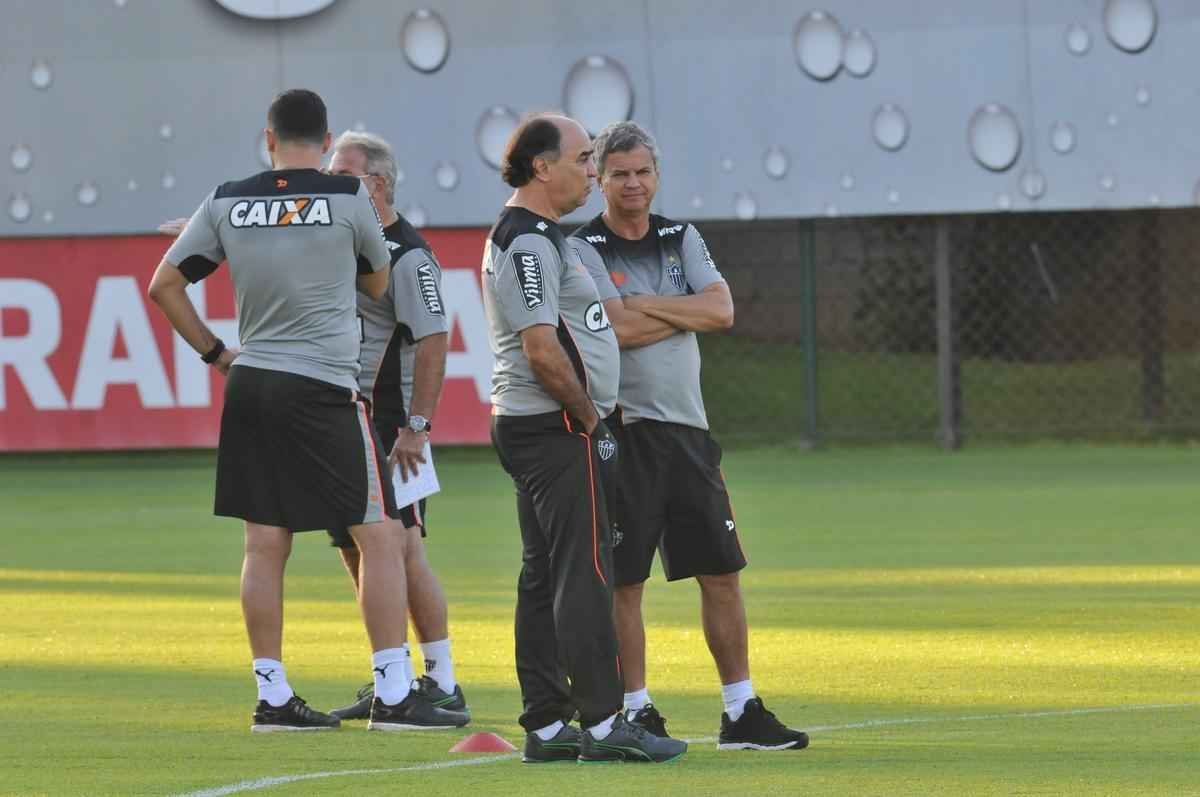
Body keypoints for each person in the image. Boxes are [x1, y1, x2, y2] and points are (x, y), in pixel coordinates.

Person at [148, 89, 465, 733]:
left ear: (268, 138)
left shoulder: (228, 199)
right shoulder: (347, 200)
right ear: (323, 145)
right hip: (323, 385)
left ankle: (272, 696)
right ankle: (396, 692)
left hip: (251, 381)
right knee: (380, 535)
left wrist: (217, 353)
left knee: (263, 543)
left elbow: (164, 286)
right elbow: (375, 282)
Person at [567, 120, 809, 751]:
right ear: (599, 180)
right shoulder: (582, 247)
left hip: (688, 433)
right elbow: (611, 330)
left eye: (642, 171)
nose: (632, 183)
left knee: (721, 573)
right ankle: (636, 709)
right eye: (619, 173)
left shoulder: (682, 236)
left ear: (657, 174)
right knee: (626, 582)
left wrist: (642, 305)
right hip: (625, 431)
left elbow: (722, 311)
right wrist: (678, 311)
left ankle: (740, 711)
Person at [482, 113, 687, 764]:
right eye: (582, 159)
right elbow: (541, 347)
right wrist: (591, 417)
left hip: (544, 422)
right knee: (585, 570)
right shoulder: (527, 242)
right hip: (556, 426)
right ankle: (601, 721)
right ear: (542, 167)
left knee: (544, 573)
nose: (592, 171)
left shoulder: (538, 234)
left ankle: (546, 723)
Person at [319, 130, 467, 720]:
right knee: (353, 550)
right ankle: (393, 678)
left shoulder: (408, 254)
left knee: (403, 549)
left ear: (374, 183)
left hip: (390, 424)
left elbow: (433, 340)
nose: (326, 187)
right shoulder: (340, 244)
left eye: (339, 176)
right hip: (338, 417)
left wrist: (417, 426)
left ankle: (442, 680)